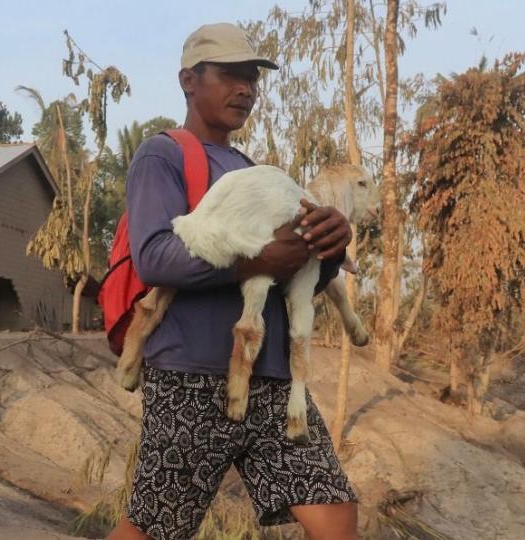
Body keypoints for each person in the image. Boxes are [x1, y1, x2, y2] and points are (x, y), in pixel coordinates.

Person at [107, 23, 357, 540]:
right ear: (188, 81)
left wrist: (327, 250)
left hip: (273, 381)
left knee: (336, 517)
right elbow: (154, 257)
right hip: (189, 378)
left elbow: (290, 283)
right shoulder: (163, 154)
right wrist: (255, 258)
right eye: (230, 75)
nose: (246, 88)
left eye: (252, 78)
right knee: (154, 528)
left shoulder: (253, 170)